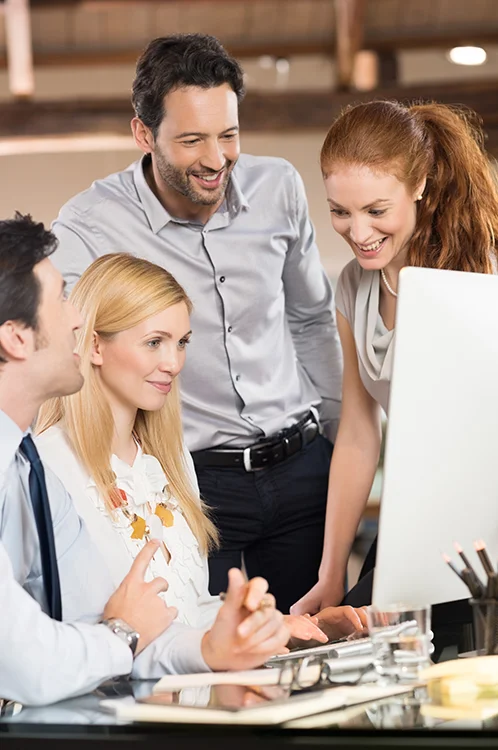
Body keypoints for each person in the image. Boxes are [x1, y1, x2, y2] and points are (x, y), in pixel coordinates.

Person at [50, 33, 343, 613]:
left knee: (306, 651)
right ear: (143, 133)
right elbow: (68, 353)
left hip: (303, 466)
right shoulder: (89, 224)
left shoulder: (278, 186)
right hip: (193, 482)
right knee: (202, 652)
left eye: (228, 135)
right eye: (191, 140)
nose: (216, 159)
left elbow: (311, 320)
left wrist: (338, 440)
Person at [0, 213, 292, 707]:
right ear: (16, 337)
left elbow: (126, 629)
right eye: (61, 300)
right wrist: (121, 632)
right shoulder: (42, 463)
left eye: (179, 343)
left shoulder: (23, 463)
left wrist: (211, 644)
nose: (77, 317)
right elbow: (34, 660)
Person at [35, 252, 365, 649]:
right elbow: (52, 635)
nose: (173, 363)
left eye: (182, 343)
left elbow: (193, 610)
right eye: (154, 342)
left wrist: (286, 628)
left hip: (196, 695)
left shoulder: (172, 462)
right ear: (94, 347)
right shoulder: (48, 467)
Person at [291, 100, 498, 619]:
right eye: (341, 211)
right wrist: (332, 571)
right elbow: (361, 432)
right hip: (418, 517)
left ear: (420, 185)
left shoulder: (481, 277)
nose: (358, 233)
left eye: (376, 211)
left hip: (482, 520)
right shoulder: (351, 287)